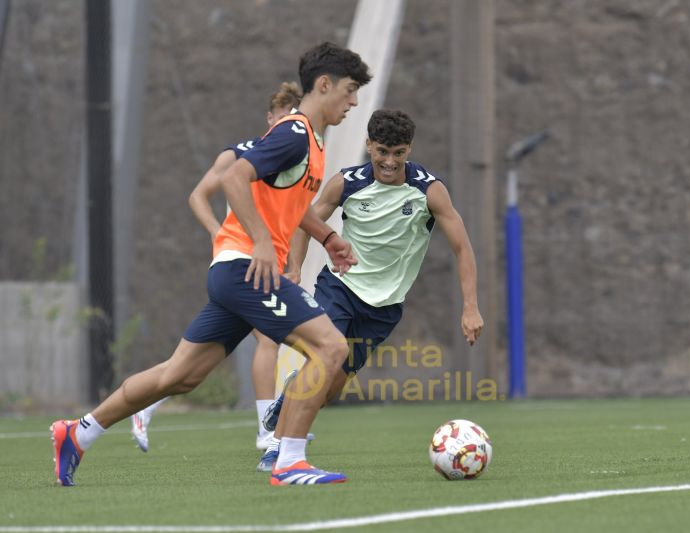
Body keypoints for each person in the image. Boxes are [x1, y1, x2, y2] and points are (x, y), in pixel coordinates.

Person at [50, 41, 372, 487]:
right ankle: (290, 462)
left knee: (179, 375)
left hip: (237, 273)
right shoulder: (295, 132)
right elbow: (232, 176)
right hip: (247, 269)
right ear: (324, 84)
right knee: (332, 348)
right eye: (350, 90)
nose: (354, 101)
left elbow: (291, 204)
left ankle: (78, 433)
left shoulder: (311, 142)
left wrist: (329, 237)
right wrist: (261, 240)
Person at [258, 109, 484, 468]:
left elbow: (462, 248)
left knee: (331, 387)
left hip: (385, 306)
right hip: (340, 288)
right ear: (368, 146)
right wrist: (295, 268)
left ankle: (288, 402)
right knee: (323, 363)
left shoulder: (429, 189)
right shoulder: (346, 182)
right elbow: (305, 220)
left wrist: (470, 307)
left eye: (398, 152)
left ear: (409, 149)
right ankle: (278, 449)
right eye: (382, 151)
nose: (389, 161)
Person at [129, 82, 305, 461]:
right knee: (269, 341)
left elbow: (292, 215)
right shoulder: (243, 153)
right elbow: (197, 195)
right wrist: (217, 233)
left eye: (295, 117)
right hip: (241, 263)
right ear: (270, 118)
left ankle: (142, 407)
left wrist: (293, 260)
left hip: (259, 262)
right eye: (283, 116)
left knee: (189, 371)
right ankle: (266, 433)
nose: (289, 124)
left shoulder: (291, 159)